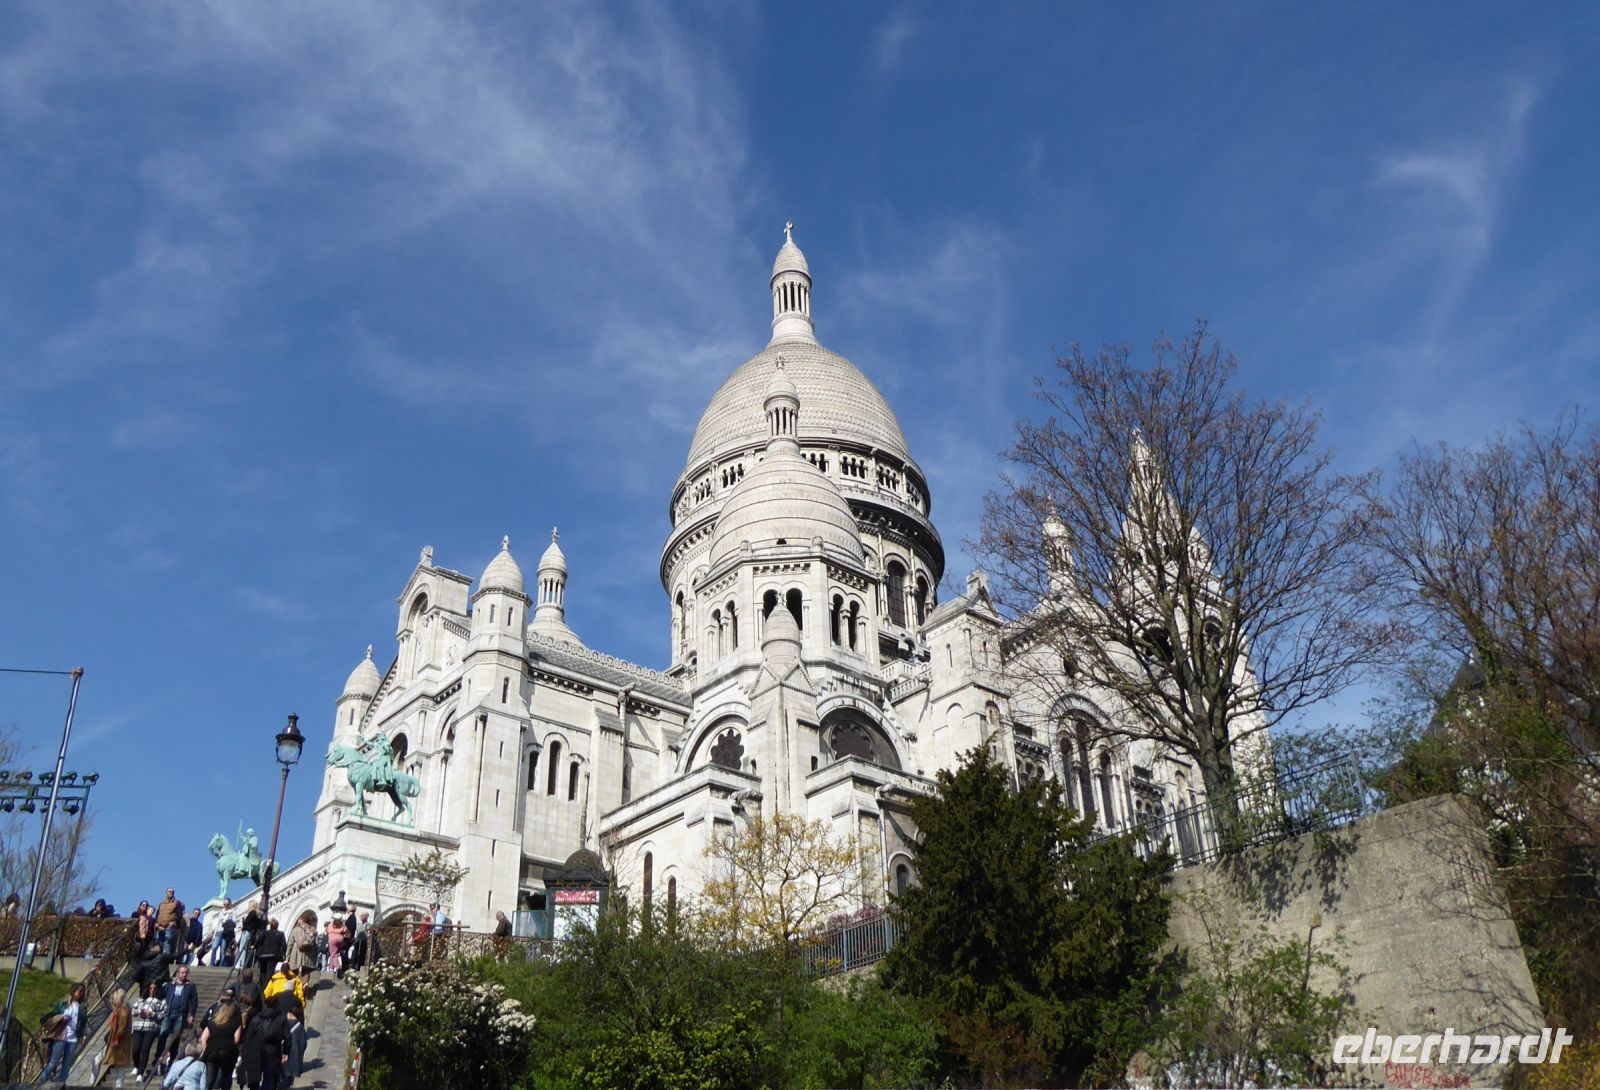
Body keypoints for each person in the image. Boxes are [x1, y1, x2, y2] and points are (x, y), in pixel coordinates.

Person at [36, 982, 87, 1084]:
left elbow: (82, 1023)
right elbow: (53, 1014)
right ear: (73, 991)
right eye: (79, 991)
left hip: (73, 1039)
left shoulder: (82, 1009)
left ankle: (61, 1084)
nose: (81, 993)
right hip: (61, 1036)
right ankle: (39, 1083)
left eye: (83, 992)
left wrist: (82, 1035)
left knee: (67, 1064)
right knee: (53, 1062)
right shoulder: (63, 1005)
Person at [198, 988, 242, 1090]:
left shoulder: (212, 1021)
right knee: (226, 1078)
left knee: (209, 1079)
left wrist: (205, 1050)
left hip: (211, 1050)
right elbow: (236, 1039)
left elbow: (203, 1038)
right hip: (228, 1050)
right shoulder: (235, 1017)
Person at [157, 964, 199, 1070]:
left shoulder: (190, 986)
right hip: (168, 1013)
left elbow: (194, 1001)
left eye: (186, 973)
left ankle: (172, 1059)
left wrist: (192, 1015)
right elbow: (160, 995)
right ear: (177, 973)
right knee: (163, 1034)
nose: (184, 975)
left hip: (180, 1015)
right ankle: (158, 1056)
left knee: (175, 1038)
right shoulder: (169, 985)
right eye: (182, 972)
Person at [237, 999, 287, 1090]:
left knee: (254, 1077)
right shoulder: (281, 1018)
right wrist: (286, 1052)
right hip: (274, 1051)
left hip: (256, 1051)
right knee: (270, 1077)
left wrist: (244, 1051)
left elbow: (248, 1037)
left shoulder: (256, 1018)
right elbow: (288, 1037)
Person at [130, 979, 169, 1080]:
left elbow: (163, 1014)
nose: (152, 990)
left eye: (154, 988)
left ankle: (140, 1073)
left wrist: (152, 1014)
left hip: (150, 1027)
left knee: (145, 1049)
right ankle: (136, 1066)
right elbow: (132, 1010)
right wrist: (138, 1011)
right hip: (138, 1026)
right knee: (135, 1049)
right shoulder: (141, 1000)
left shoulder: (162, 1001)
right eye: (150, 988)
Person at [105, 986, 134, 1074]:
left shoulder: (124, 1008)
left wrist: (117, 1039)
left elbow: (122, 1025)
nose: (112, 1001)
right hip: (118, 1039)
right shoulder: (121, 1008)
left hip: (119, 1040)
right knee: (119, 1065)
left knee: (119, 1065)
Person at [280, 1004, 307, 1089]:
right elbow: (304, 1043)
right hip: (295, 1057)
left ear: (290, 1014)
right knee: (289, 1078)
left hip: (284, 1055)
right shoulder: (301, 1027)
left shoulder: (285, 1024)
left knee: (283, 1077)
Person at [287, 911, 317, 984]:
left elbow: (290, 944)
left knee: (293, 971)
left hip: (296, 954)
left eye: (299, 919)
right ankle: (304, 987)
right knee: (306, 972)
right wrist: (314, 956)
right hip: (308, 955)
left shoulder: (295, 930)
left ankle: (293, 988)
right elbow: (316, 945)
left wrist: (288, 955)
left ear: (301, 920)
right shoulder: (313, 930)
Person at [155, 887, 186, 959]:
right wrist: (156, 924)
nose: (171, 893)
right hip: (160, 927)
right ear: (166, 893)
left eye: (172, 892)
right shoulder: (161, 903)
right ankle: (158, 961)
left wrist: (174, 923)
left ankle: (167, 961)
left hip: (169, 927)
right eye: (169, 891)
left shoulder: (177, 902)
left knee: (167, 943)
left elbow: (180, 914)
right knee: (159, 944)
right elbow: (157, 913)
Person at [254, 916, 287, 981]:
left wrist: (255, 947)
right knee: (270, 973)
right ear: (277, 926)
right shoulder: (280, 934)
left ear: (270, 926)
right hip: (273, 955)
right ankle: (266, 986)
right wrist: (283, 954)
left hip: (263, 955)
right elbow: (284, 945)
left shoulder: (265, 932)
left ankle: (261, 985)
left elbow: (258, 941)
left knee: (263, 971)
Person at [211, 899, 236, 967]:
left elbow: (234, 923)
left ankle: (221, 965)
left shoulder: (232, 912)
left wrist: (227, 921)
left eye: (227, 904)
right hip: (219, 932)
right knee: (214, 947)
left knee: (223, 951)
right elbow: (218, 924)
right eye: (224, 904)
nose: (225, 906)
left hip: (226, 933)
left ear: (230, 904)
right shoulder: (221, 912)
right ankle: (212, 963)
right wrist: (214, 935)